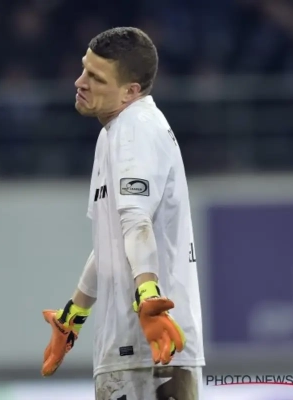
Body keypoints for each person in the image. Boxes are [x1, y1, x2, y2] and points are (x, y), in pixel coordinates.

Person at [41, 27, 205, 400]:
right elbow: (111, 241)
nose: (79, 82)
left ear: (131, 91)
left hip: (152, 353)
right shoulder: (113, 133)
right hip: (133, 350)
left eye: (96, 78)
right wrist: (73, 316)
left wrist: (148, 297)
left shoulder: (135, 129)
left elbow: (136, 222)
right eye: (84, 69)